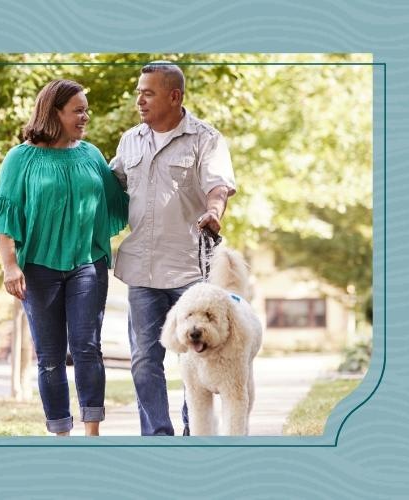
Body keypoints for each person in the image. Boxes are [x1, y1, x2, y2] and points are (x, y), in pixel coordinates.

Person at [0, 79, 128, 436]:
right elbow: (5, 213)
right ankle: (61, 434)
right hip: (38, 269)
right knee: (49, 358)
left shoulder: (91, 154)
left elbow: (119, 197)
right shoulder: (20, 158)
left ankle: (92, 434)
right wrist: (9, 265)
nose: (85, 117)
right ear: (55, 112)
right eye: (78, 110)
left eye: (85, 110)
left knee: (88, 348)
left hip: (86, 265)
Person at [110, 62, 236, 436]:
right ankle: (157, 437)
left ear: (174, 96)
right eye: (138, 92)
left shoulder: (206, 139)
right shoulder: (130, 140)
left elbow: (218, 187)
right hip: (141, 270)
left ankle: (192, 433)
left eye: (147, 93)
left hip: (190, 270)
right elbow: (111, 184)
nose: (139, 100)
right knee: (144, 359)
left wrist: (214, 212)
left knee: (196, 361)